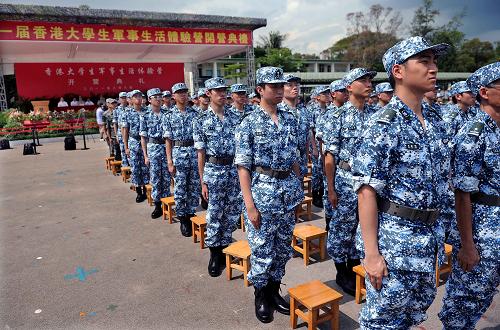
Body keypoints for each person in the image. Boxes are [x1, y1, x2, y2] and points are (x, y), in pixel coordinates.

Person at [352, 36, 450, 328]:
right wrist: (371, 255)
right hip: (395, 244)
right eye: (423, 61)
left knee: (413, 316)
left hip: (427, 239)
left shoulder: (434, 119)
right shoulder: (384, 123)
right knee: (382, 321)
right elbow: (367, 191)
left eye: (434, 61)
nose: (433, 68)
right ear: (398, 71)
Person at [235, 66, 304, 323]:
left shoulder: (290, 118)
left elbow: (295, 159)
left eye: (280, 85)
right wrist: (250, 205)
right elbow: (243, 168)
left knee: (283, 247)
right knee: (262, 248)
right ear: (260, 90)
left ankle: (275, 291)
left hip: (288, 192)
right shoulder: (249, 123)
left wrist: (299, 192)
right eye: (272, 86)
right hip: (264, 193)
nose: (278, 90)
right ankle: (261, 295)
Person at [438, 61, 500, 329]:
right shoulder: (473, 134)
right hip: (483, 229)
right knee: (466, 300)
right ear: (485, 92)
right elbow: (462, 195)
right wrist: (467, 245)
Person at [322, 68, 377, 296]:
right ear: (349, 87)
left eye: (369, 80)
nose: (368, 84)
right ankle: (341, 271)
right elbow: (329, 156)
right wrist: (331, 188)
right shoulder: (337, 116)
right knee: (342, 227)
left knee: (362, 228)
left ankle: (355, 266)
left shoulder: (374, 114)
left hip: (368, 182)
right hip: (345, 180)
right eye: (362, 80)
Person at [193, 77, 241, 277]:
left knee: (231, 212)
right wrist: (202, 180)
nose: (223, 94)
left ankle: (225, 247)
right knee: (214, 213)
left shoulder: (235, 117)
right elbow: (200, 153)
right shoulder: (201, 120)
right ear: (208, 94)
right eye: (218, 91)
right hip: (213, 170)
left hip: (233, 170)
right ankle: (214, 254)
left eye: (224, 90)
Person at [163, 82, 200, 237]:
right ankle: (183, 217)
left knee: (194, 186)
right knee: (180, 188)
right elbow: (168, 141)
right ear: (174, 96)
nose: (183, 95)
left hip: (193, 152)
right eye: (179, 92)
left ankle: (191, 212)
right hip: (179, 154)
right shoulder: (169, 115)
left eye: (185, 92)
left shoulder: (195, 113)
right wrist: (170, 161)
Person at [320, 79, 348, 230]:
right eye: (342, 91)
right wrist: (324, 165)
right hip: (331, 163)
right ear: (334, 94)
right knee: (330, 196)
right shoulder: (328, 115)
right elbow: (322, 143)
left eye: (346, 91)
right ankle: (329, 224)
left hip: (346, 168)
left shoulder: (351, 113)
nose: (345, 94)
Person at [140, 88, 171, 219]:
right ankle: (157, 204)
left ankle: (166, 202)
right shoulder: (145, 115)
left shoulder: (167, 113)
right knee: (156, 177)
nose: (158, 98)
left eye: (159, 96)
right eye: (155, 96)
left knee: (167, 177)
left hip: (166, 147)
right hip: (153, 148)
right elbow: (143, 137)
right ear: (149, 99)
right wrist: (146, 155)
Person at [122, 90, 149, 203]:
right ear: (131, 99)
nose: (138, 98)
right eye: (135, 96)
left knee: (146, 167)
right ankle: (139, 191)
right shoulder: (127, 113)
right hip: (133, 141)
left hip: (146, 143)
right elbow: (125, 130)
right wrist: (126, 146)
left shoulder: (147, 111)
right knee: (135, 167)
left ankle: (146, 189)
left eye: (140, 96)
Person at [113, 92, 130, 167]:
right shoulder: (116, 110)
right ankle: (125, 165)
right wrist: (116, 134)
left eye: (125, 98)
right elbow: (115, 123)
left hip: (129, 132)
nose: (123, 99)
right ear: (119, 99)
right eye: (122, 98)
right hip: (120, 132)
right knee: (123, 150)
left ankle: (130, 165)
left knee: (129, 150)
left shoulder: (129, 108)